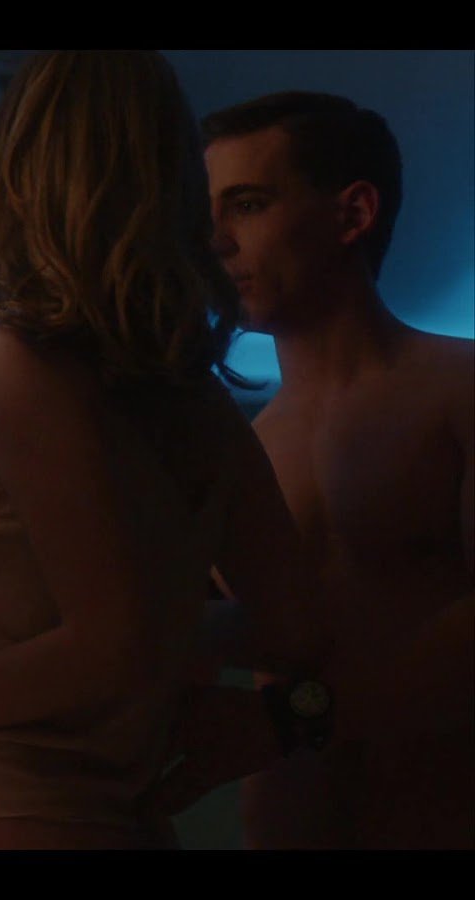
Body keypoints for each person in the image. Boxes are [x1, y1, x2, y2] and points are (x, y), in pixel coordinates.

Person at [0, 51, 327, 849]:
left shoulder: (22, 366)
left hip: (4, 813)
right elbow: (294, 628)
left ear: (22, 176)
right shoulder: (202, 405)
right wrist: (172, 638)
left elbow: (111, 644)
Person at [144, 91, 474, 849]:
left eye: (248, 204)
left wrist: (292, 719)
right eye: (205, 214)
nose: (215, 242)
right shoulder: (233, 450)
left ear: (353, 213)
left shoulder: (460, 393)